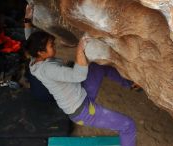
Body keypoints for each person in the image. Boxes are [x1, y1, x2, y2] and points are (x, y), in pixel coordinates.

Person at [25, 4, 136, 146]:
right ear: (41, 52)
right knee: (128, 125)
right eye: (51, 45)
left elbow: (28, 37)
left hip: (81, 93)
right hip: (82, 111)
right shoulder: (47, 69)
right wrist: (80, 48)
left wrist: (27, 19)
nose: (55, 46)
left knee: (97, 66)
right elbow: (79, 75)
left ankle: (131, 84)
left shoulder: (34, 56)